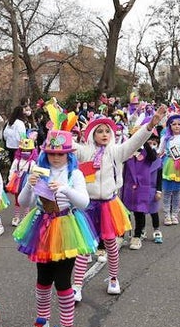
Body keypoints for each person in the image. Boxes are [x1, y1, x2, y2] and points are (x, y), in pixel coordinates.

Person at [71, 108, 166, 299]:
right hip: (88, 206)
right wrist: (58, 130)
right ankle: (77, 285)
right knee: (85, 247)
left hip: (108, 204)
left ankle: (114, 278)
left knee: (111, 244)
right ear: (92, 134)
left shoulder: (117, 151)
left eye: (107, 131)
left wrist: (150, 125)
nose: (104, 135)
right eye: (99, 131)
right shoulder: (84, 151)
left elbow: (135, 142)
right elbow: (67, 146)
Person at [14, 129, 96, 327]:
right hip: (42, 227)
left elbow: (84, 202)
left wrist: (65, 189)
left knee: (62, 281)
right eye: (51, 153)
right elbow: (24, 202)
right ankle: (42, 320)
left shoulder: (74, 174)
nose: (56, 157)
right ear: (45, 153)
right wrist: (30, 184)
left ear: (68, 154)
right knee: (42, 280)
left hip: (66, 228)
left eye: (60, 154)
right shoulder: (38, 170)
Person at [121, 134, 163, 248]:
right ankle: (121, 236)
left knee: (139, 213)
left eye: (154, 143)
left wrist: (143, 138)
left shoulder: (149, 155)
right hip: (128, 188)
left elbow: (152, 157)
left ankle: (137, 236)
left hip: (142, 189)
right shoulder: (129, 154)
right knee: (125, 213)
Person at [5, 133, 38, 226]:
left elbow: (34, 172)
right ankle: (16, 217)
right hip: (17, 181)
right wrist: (10, 179)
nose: (25, 152)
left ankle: (26, 216)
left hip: (26, 182)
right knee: (17, 200)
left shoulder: (32, 163)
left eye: (28, 150)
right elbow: (12, 170)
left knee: (26, 199)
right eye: (23, 150)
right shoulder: (17, 161)